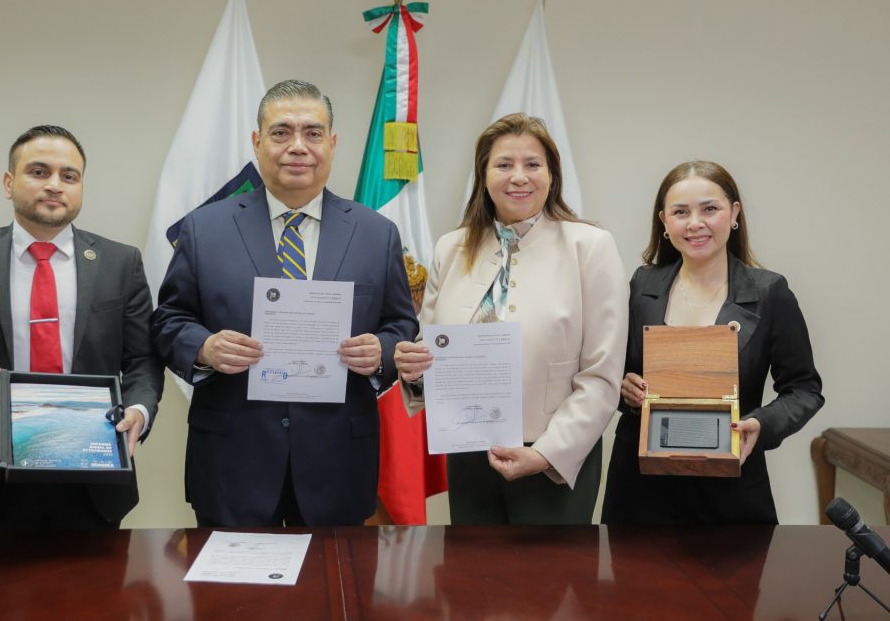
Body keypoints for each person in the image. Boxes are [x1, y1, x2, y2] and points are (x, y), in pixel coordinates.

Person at [151, 79, 418, 527]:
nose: (298, 146)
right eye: (281, 132)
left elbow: (401, 325)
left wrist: (381, 353)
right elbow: (169, 320)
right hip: (233, 461)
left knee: (335, 576)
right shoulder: (204, 228)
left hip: (338, 463)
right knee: (230, 577)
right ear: (257, 142)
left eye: (313, 133)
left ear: (332, 144)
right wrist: (205, 348)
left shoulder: (376, 233)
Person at [0, 125, 163, 530]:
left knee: (98, 576)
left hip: (94, 473)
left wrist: (138, 411)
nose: (55, 185)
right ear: (9, 183)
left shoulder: (120, 263)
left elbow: (143, 360)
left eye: (69, 176)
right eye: (39, 172)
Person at [393, 113, 627, 524]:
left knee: (550, 568)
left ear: (551, 175)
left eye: (533, 164)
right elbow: (432, 351)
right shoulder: (451, 248)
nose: (519, 176)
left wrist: (546, 453)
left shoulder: (590, 247)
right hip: (468, 453)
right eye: (503, 164)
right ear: (484, 176)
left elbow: (602, 376)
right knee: (471, 565)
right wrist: (414, 370)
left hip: (554, 461)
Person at [601, 161, 823, 525]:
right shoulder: (642, 285)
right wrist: (623, 386)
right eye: (680, 212)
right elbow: (611, 370)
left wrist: (761, 424)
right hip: (640, 488)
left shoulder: (770, 293)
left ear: (734, 213)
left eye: (709, 209)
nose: (695, 223)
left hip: (731, 489)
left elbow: (804, 390)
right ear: (664, 221)